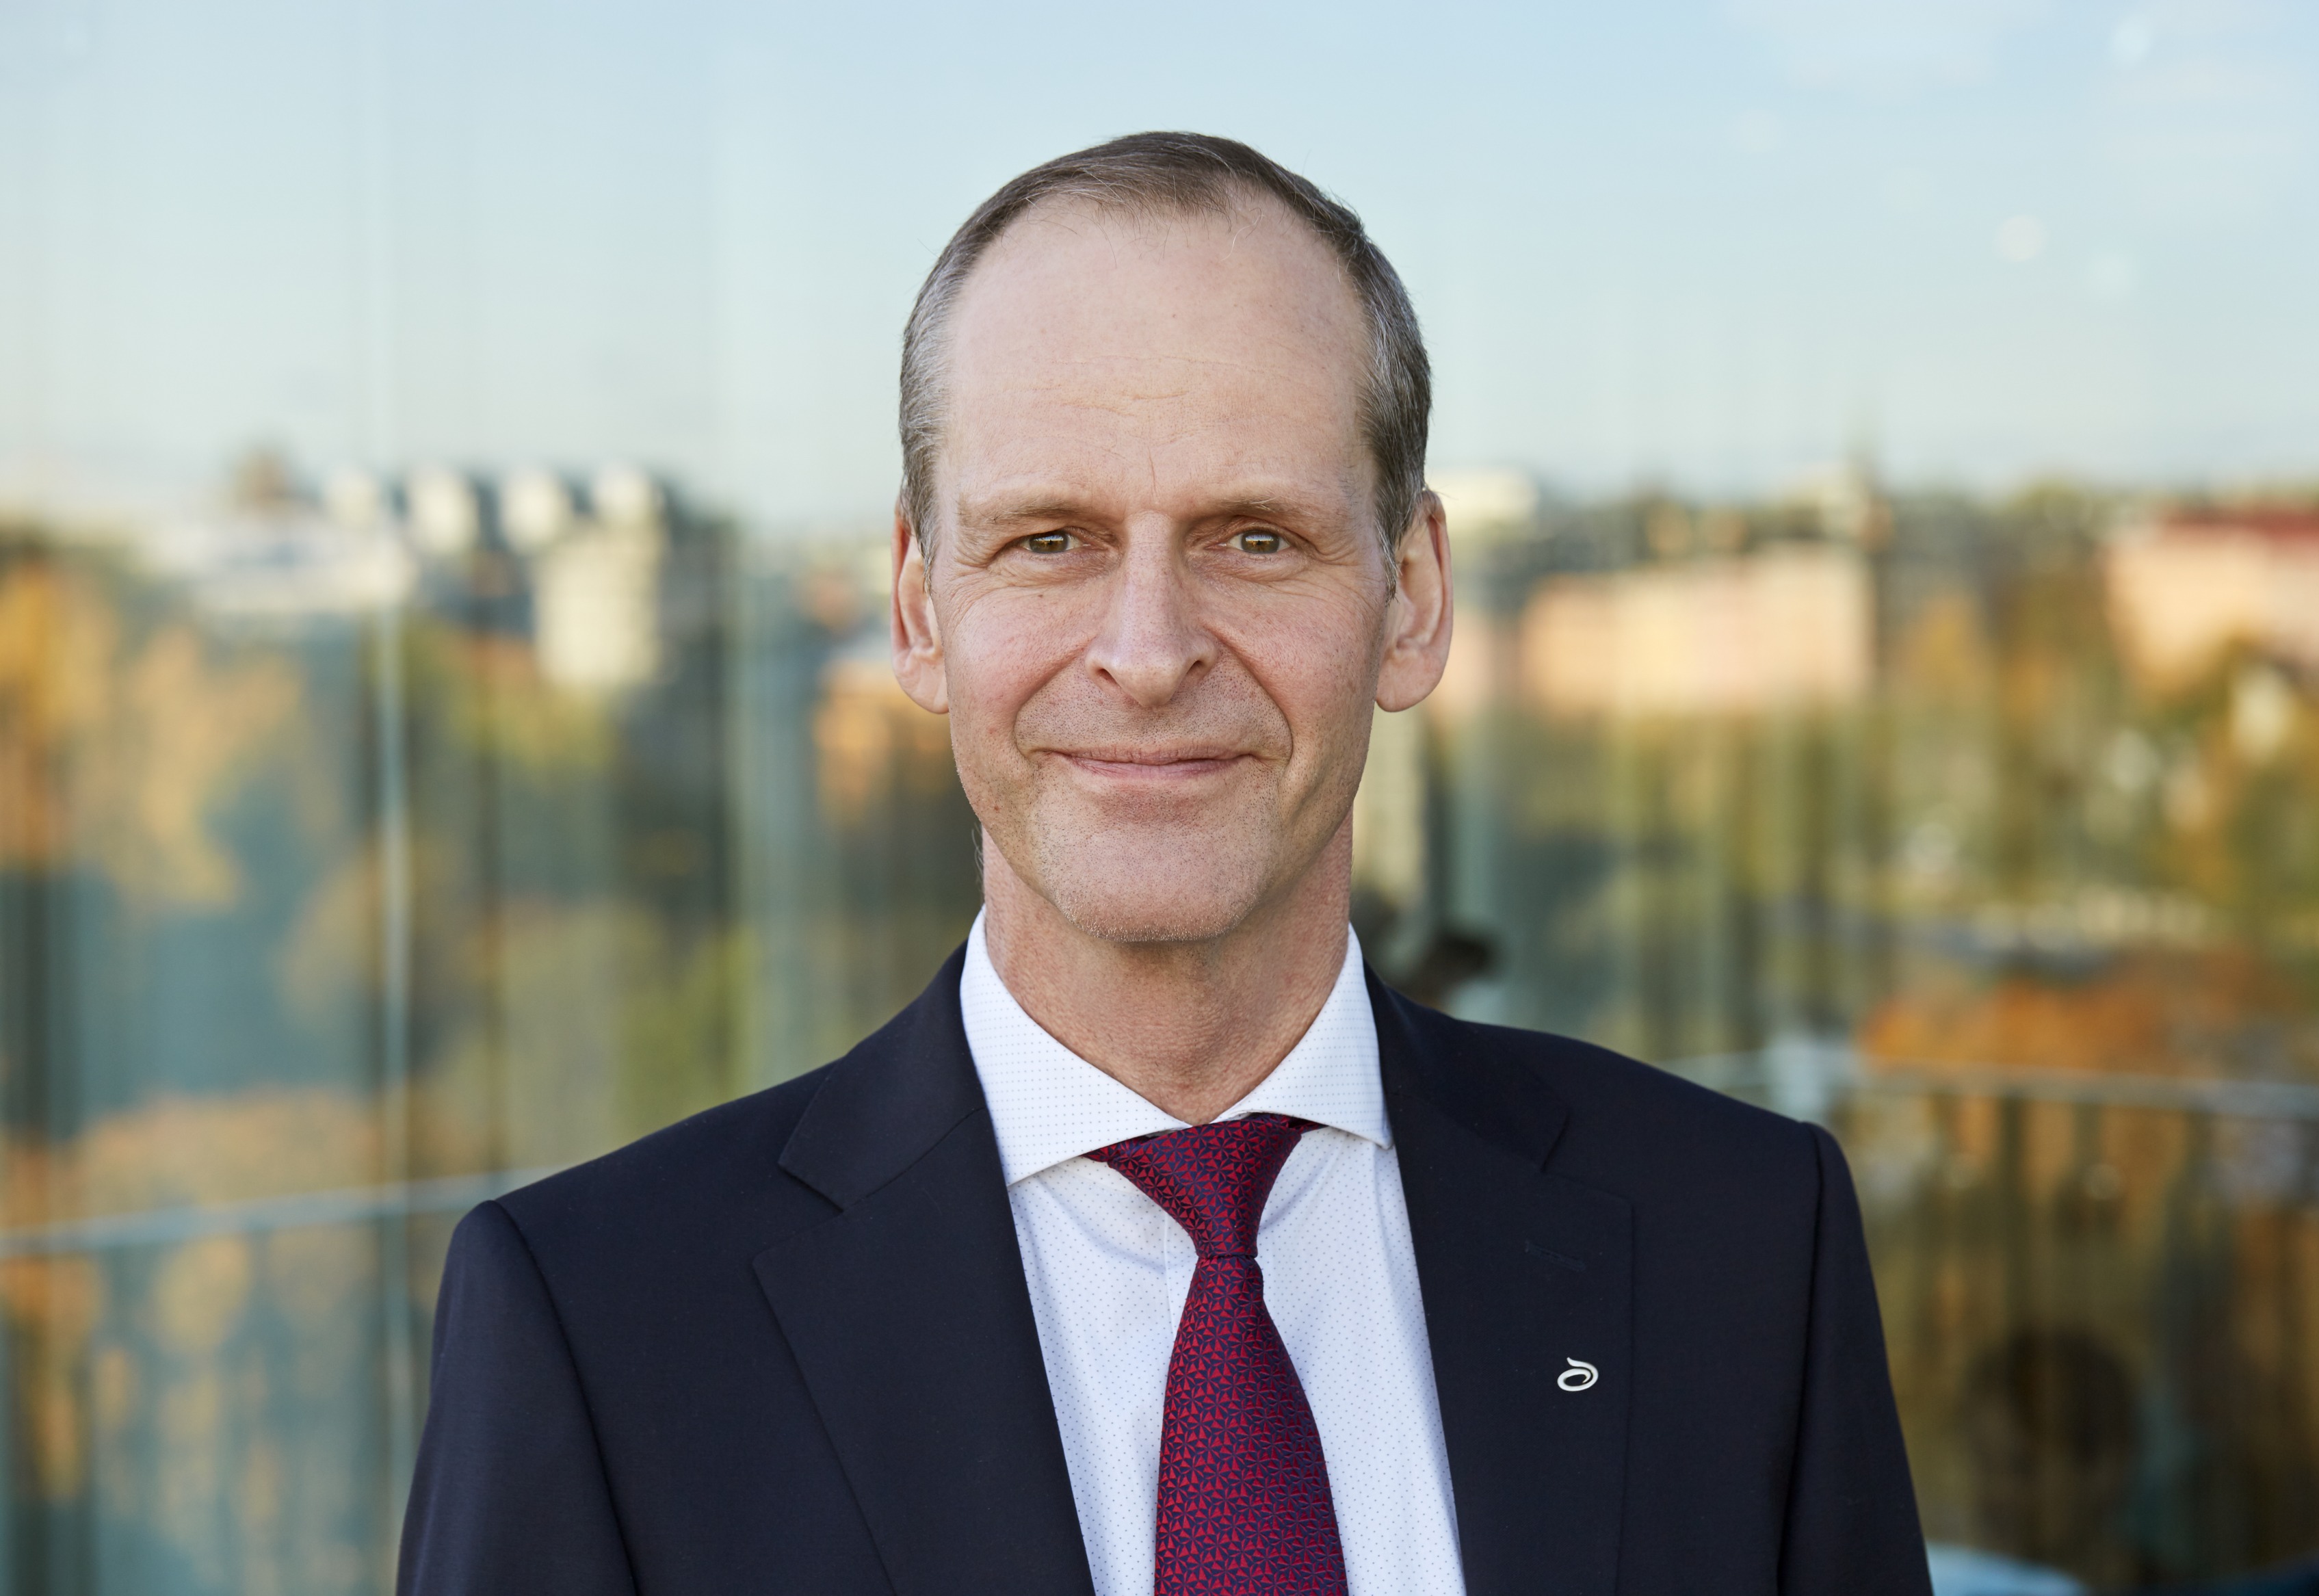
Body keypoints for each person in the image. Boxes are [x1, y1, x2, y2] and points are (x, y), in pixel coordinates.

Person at [399, 132, 1930, 1596]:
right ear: (920, 609)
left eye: (1254, 538)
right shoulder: (600, 1326)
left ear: (1410, 598)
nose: (1146, 653)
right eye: (1048, 540)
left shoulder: (1740, 1246)